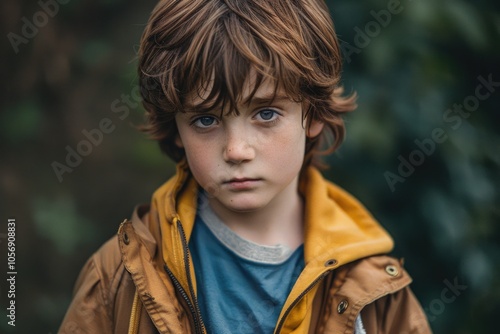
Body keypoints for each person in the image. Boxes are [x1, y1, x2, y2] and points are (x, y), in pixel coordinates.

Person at [60, 0, 431, 333]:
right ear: (176, 128)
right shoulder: (117, 277)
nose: (236, 150)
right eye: (205, 120)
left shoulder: (377, 292)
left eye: (266, 113)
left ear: (313, 113)